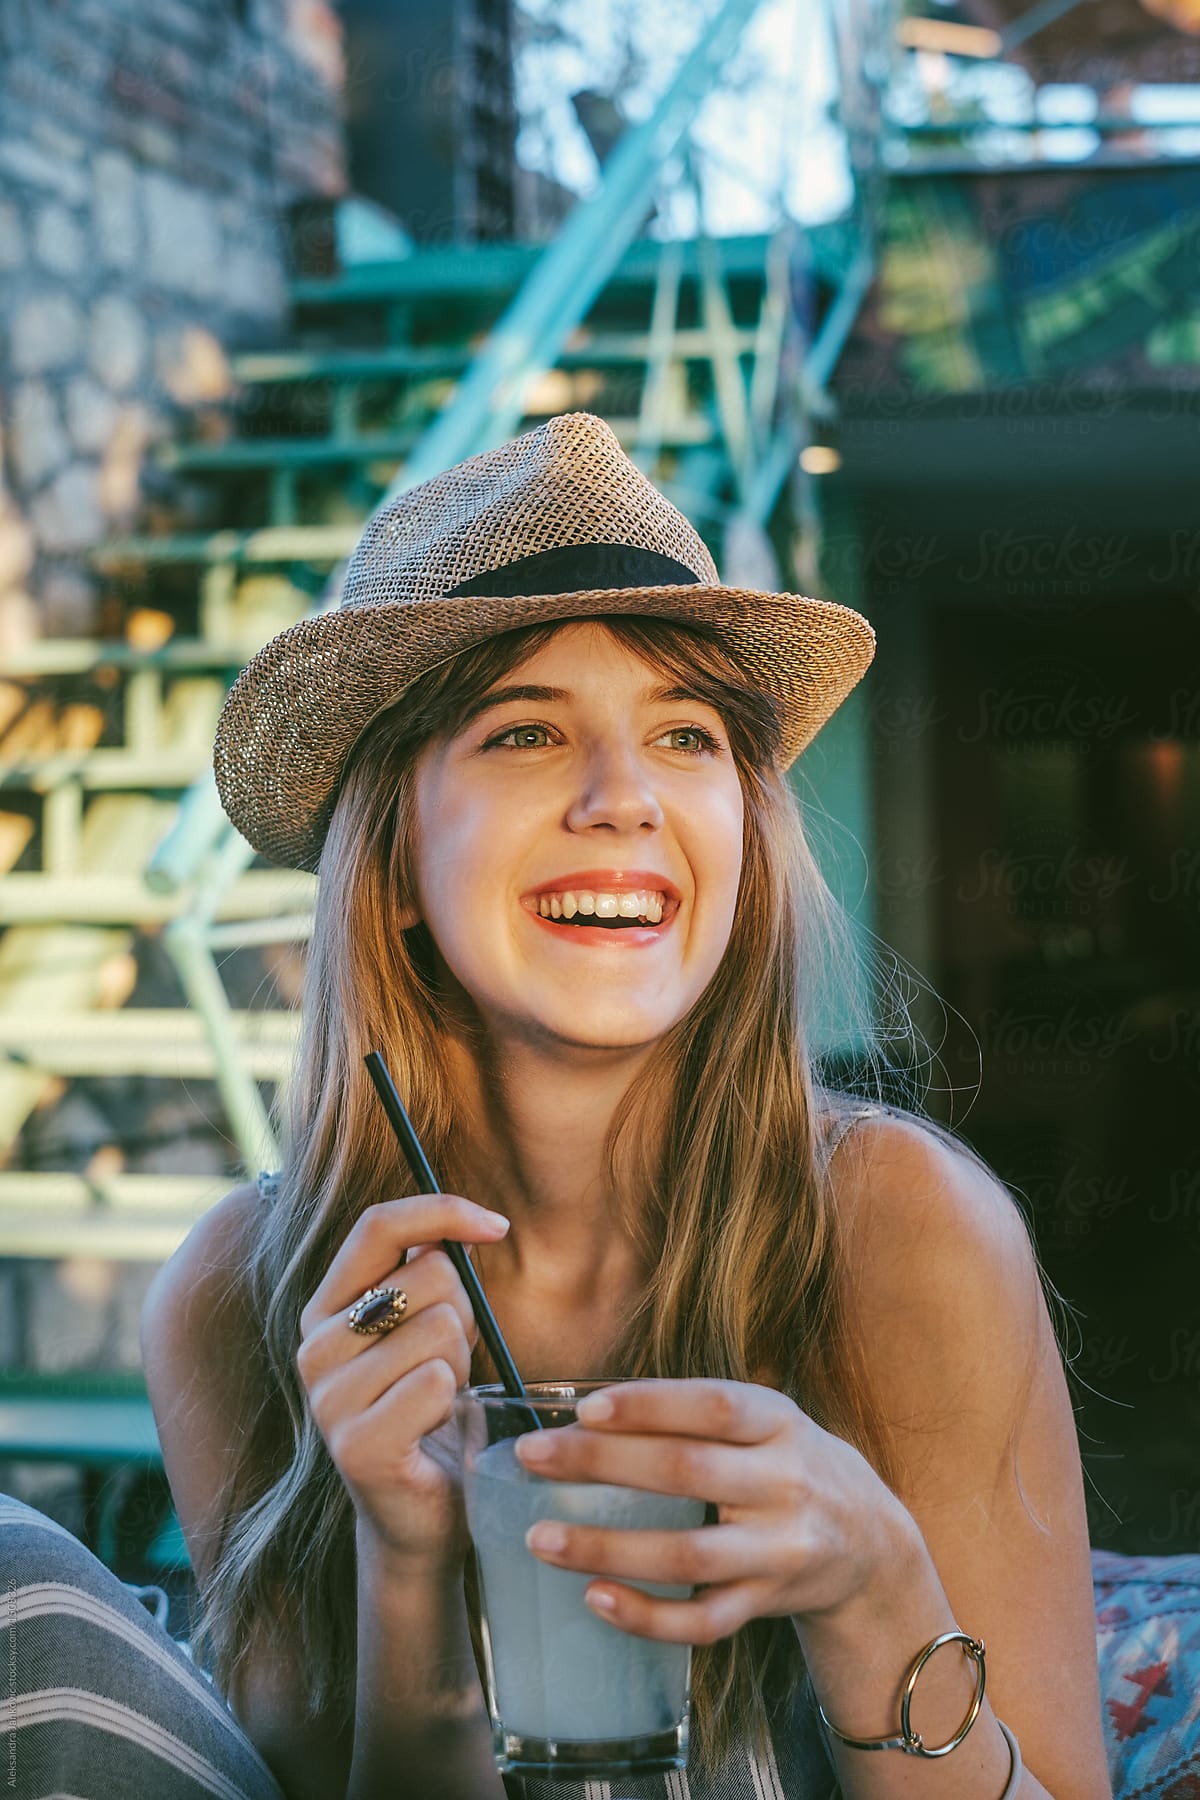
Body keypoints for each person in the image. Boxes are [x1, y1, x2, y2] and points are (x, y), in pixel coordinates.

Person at [2, 412, 1111, 1800]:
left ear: (746, 842)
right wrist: (408, 1565)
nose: (623, 799)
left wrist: (877, 1589)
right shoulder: (243, 1299)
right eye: (527, 730)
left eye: (685, 734)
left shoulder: (900, 1231)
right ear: (396, 864)